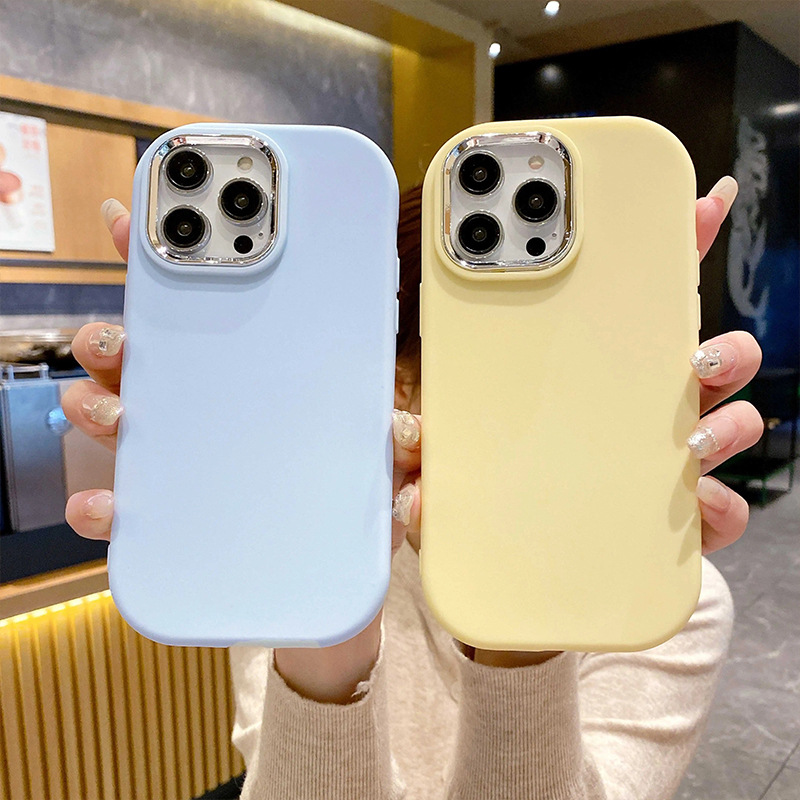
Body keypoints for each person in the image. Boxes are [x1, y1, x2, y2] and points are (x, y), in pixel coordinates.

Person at [63, 176, 763, 800]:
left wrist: (521, 615)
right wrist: (328, 618)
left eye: (576, 356)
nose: (550, 399)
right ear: (397, 380)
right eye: (511, 351)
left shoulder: (671, 600)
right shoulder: (296, 552)